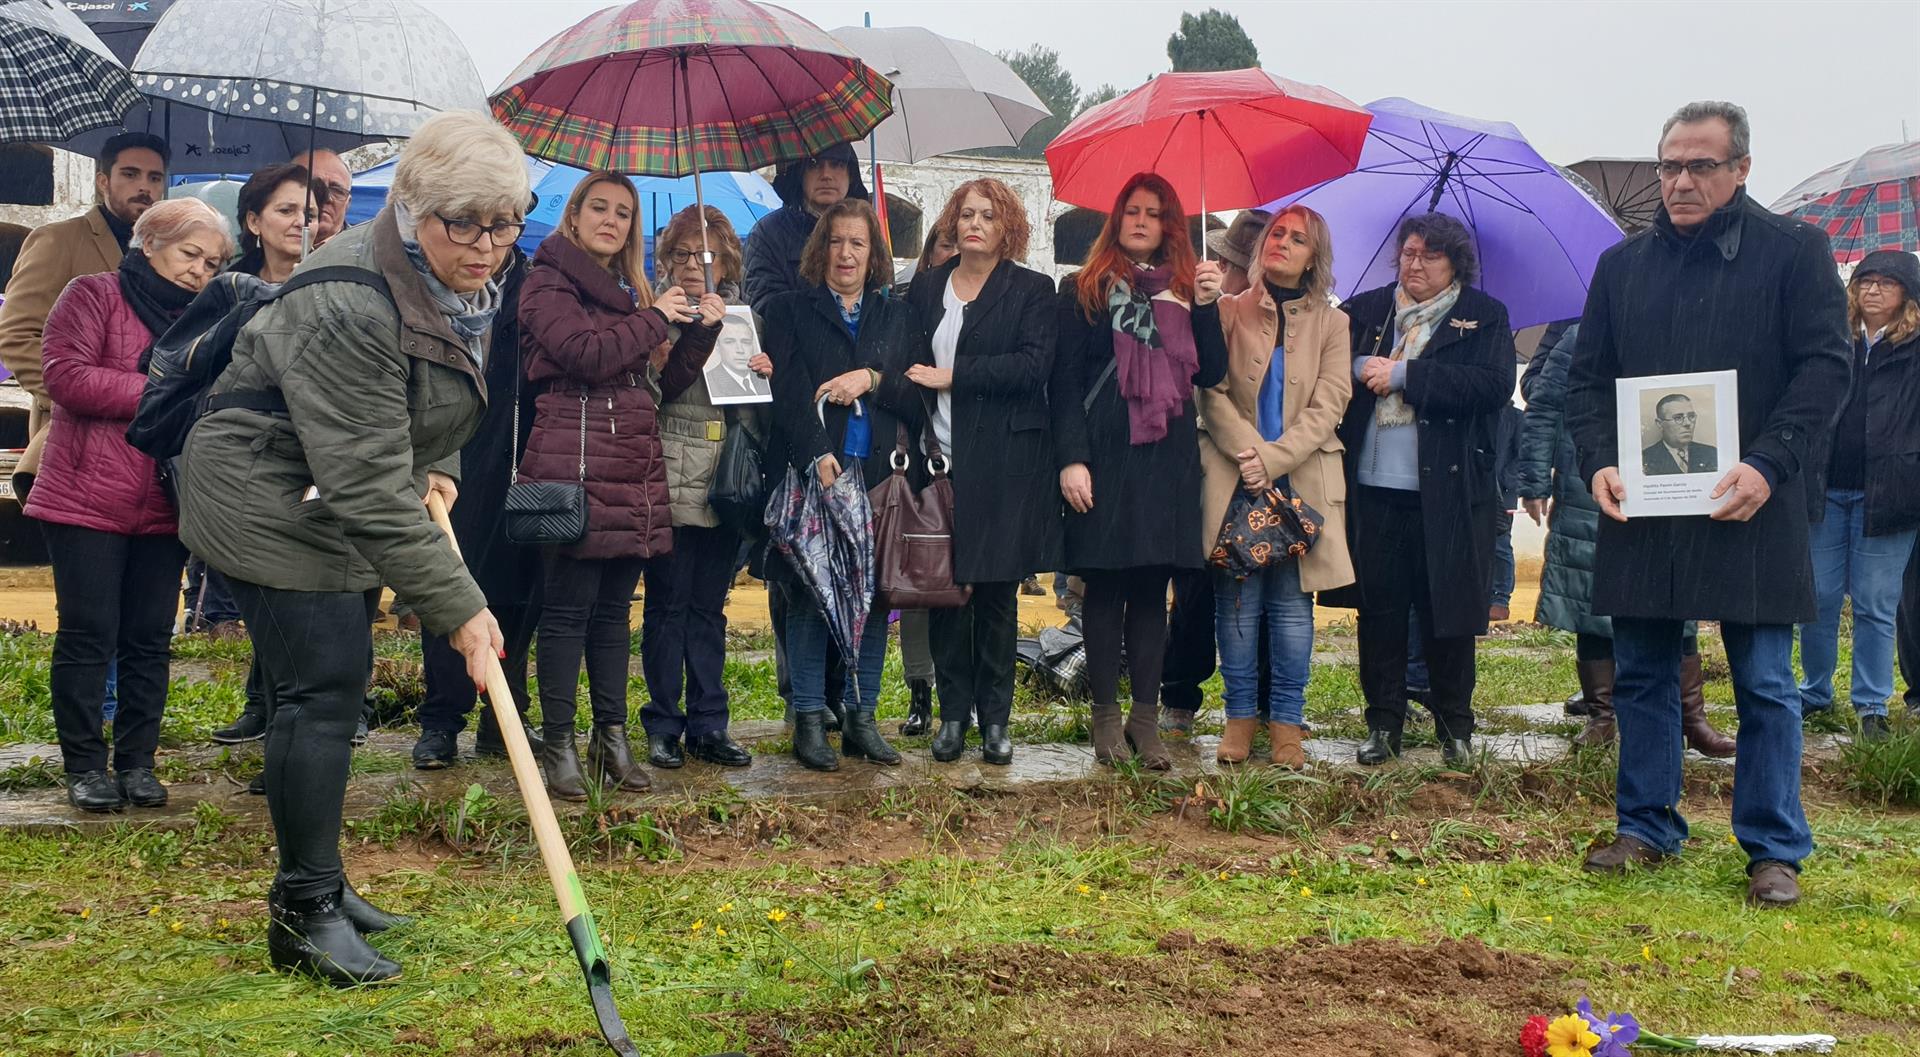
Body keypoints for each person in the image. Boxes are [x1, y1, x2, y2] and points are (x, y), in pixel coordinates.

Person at [175, 111, 530, 983]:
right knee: (319, 690)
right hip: (263, 489)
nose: (488, 246)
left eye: (505, 221)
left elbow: (439, 385)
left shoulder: (454, 275)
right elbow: (369, 481)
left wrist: (440, 465)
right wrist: (461, 607)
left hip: (329, 481)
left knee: (337, 683)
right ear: (412, 208)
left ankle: (326, 882)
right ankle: (303, 913)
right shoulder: (347, 297)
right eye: (465, 224)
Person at [1566, 101, 1851, 908]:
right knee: (1645, 673)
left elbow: (1826, 370)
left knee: (1764, 681)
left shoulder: (1797, 252)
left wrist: (1769, 462)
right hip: (1646, 507)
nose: (1681, 181)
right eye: (1669, 166)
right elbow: (1586, 384)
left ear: (1741, 170)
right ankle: (1647, 824)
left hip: (1753, 503)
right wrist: (1599, 463)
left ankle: (1773, 847)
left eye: (1700, 166)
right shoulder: (1622, 268)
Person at [518, 172, 723, 801]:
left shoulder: (628, 291)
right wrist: (657, 315)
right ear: (574, 216)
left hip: (630, 455)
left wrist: (700, 332)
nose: (612, 220)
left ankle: (610, 738)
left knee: (612, 613)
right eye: (599, 208)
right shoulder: (546, 281)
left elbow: (663, 385)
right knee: (566, 611)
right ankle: (558, 742)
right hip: (574, 459)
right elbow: (585, 354)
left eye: (624, 213)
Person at [25, 198, 228, 812]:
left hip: (165, 500)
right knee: (89, 636)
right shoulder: (91, 294)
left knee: (148, 638)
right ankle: (85, 766)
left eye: (213, 263)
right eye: (191, 254)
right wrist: (167, 390)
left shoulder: (208, 317)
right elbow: (67, 377)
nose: (200, 271)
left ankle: (138, 762)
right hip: (85, 496)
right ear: (150, 244)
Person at [1323, 213, 1516, 768]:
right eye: (1408, 253)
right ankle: (1383, 723)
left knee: (1447, 612)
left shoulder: (1483, 316)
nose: (1415, 264)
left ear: (1455, 263)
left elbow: (1494, 385)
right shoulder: (1366, 310)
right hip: (1374, 490)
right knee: (1380, 612)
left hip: (1451, 495)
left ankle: (1455, 725)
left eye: (1430, 256)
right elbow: (1326, 361)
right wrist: (1363, 364)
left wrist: (1408, 376)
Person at [1051, 172, 1227, 770]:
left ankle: (1144, 721)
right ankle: (1105, 718)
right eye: (1132, 211)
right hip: (1103, 452)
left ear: (1171, 224)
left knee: (1154, 588)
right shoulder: (1085, 289)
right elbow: (1065, 383)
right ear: (1117, 219)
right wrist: (1071, 458)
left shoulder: (1186, 290)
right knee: (1104, 584)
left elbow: (1210, 374)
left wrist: (1206, 306)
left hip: (1166, 457)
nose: (1142, 221)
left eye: (1154, 213)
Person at [901, 178, 1060, 766]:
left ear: (1007, 228)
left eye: (988, 216)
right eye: (966, 213)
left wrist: (955, 375)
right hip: (936, 460)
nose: (974, 223)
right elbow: (904, 358)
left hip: (1003, 465)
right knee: (946, 596)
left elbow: (1033, 366)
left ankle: (996, 722)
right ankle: (951, 717)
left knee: (994, 597)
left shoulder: (1032, 290)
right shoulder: (926, 288)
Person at [1517, 324, 1735, 755]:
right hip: (1589, 481)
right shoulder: (1581, 337)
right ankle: (1603, 716)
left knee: (1679, 594)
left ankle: (1691, 716)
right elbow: (1543, 408)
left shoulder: (1686, 327)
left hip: (1668, 486)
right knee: (1591, 598)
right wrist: (1534, 481)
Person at [760, 197, 922, 772]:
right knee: (810, 592)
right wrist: (817, 455)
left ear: (873, 252)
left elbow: (916, 393)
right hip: (816, 475)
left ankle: (861, 718)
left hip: (879, 478)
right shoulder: (789, 311)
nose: (846, 253)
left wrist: (872, 377)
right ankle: (809, 717)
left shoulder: (896, 315)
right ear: (820, 249)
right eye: (836, 241)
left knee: (873, 599)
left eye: (858, 243)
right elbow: (788, 391)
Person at [1197, 205, 1353, 767]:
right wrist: (1249, 457)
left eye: (1297, 239)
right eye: (1276, 234)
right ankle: (1239, 719)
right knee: (1237, 604)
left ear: (1315, 258)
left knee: (1291, 608)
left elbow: (1330, 402)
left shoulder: (1335, 324)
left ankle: (1287, 723)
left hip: (1302, 482)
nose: (1282, 243)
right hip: (1235, 479)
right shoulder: (1229, 310)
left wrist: (1274, 458)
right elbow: (1209, 391)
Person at [411, 240, 546, 769]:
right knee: (450, 579)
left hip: (529, 451)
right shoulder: (439, 274)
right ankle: (442, 720)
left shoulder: (535, 280)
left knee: (519, 592)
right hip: (457, 450)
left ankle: (503, 714)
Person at [640, 204, 758, 771]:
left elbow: (754, 407)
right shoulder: (656, 317)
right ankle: (663, 722)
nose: (694, 264)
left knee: (710, 607)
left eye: (706, 254)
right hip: (667, 468)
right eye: (683, 253)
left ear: (727, 258)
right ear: (666, 259)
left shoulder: (743, 317)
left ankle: (710, 722)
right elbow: (653, 389)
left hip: (723, 478)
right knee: (667, 604)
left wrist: (764, 371)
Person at [0, 132, 167, 503]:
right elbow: (16, 334)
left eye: (154, 178)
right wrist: (72, 392)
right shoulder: (59, 240)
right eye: (131, 174)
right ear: (103, 180)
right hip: (74, 437)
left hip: (150, 438)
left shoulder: (169, 254)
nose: (144, 187)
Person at [1797, 250, 1920, 741]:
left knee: (1875, 601)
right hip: (1827, 489)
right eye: (1865, 281)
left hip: (1890, 495)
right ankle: (1814, 692)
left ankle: (1871, 705)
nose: (1872, 290)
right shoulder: (1834, 341)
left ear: (1906, 295)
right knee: (1820, 597)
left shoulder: (1915, 349)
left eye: (1886, 283)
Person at [1163, 207, 1269, 735]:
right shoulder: (1202, 306)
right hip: (1211, 460)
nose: (1225, 273)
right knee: (1195, 586)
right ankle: (1180, 692)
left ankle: (1264, 702)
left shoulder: (1275, 315)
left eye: (1234, 265)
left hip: (1268, 465)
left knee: (1270, 583)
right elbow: (1204, 387)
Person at [894, 223, 957, 736]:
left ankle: (965, 688)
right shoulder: (907, 308)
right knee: (918, 580)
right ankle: (919, 688)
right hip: (917, 455)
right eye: (945, 244)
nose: (956, 253)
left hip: (971, 458)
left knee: (964, 582)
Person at [743, 142, 870, 312]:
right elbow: (766, 309)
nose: (826, 175)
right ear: (800, 174)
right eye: (814, 164)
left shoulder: (869, 231)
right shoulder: (767, 235)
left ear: (851, 175)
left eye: (836, 164)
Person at [233, 164, 331, 283]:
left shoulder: (334, 283)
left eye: (310, 216)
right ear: (254, 222)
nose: (301, 222)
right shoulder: (231, 286)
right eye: (286, 211)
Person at [1641, 394, 1717, 475]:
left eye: (1691, 416)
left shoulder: (1711, 454)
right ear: (1660, 424)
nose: (1688, 423)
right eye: (1678, 418)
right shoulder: (1645, 459)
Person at [291, 148, 354, 247]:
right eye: (314, 185)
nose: (326, 197)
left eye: (337, 190)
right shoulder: (264, 250)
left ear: (348, 203)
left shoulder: (369, 254)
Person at [704, 313, 770, 400]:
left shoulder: (762, 378)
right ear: (717, 346)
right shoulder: (711, 380)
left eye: (746, 342)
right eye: (729, 342)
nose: (740, 350)